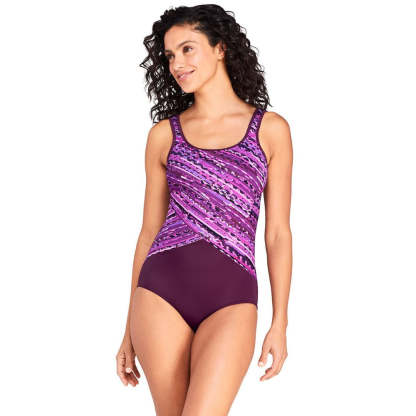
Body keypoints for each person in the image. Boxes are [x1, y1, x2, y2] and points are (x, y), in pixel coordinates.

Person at [116, 4, 293, 415]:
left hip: (232, 300)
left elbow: (278, 234)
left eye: (187, 49)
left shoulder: (270, 130)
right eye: (169, 55)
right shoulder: (164, 135)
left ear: (220, 48)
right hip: (159, 296)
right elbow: (148, 232)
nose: (177, 64)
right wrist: (127, 331)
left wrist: (280, 322)